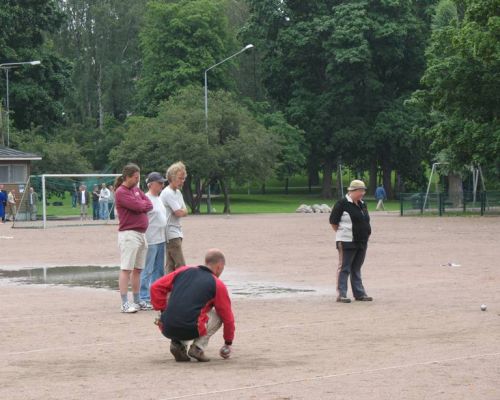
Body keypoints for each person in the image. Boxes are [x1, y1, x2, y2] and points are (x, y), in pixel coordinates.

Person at [151, 249, 235, 362]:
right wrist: (228, 343)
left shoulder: (183, 271)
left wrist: (162, 311)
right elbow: (228, 318)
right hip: (190, 328)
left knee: (182, 310)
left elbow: (155, 287)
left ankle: (178, 344)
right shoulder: (217, 284)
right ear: (219, 266)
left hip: (167, 326)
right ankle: (198, 348)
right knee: (218, 316)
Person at [114, 163, 153, 313]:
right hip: (129, 234)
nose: (138, 180)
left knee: (138, 269)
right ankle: (124, 303)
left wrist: (140, 204)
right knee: (126, 269)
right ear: (128, 177)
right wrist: (140, 205)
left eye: (139, 177)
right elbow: (138, 207)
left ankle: (137, 301)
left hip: (141, 234)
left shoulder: (136, 190)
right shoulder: (121, 192)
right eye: (135, 177)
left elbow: (148, 204)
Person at [329, 179, 372, 303]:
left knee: (357, 267)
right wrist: (344, 234)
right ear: (352, 191)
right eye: (360, 191)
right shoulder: (342, 204)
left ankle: (359, 293)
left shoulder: (363, 204)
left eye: (363, 191)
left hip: (362, 241)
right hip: (346, 241)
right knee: (344, 267)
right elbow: (333, 222)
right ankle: (342, 294)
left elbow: (365, 221)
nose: (362, 193)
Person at [139, 172, 168, 309]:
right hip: (150, 239)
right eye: (160, 183)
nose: (162, 185)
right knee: (147, 269)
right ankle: (143, 297)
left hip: (161, 239)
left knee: (159, 270)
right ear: (151, 184)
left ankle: (155, 296)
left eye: (163, 183)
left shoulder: (159, 198)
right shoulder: (145, 198)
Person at [160, 162, 188, 274]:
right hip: (170, 233)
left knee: (170, 264)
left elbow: (185, 211)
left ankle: (168, 290)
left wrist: (183, 211)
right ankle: (182, 288)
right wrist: (182, 211)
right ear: (172, 177)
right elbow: (179, 212)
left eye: (183, 178)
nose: (182, 181)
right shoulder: (167, 193)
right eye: (180, 178)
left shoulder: (178, 193)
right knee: (181, 264)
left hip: (177, 230)